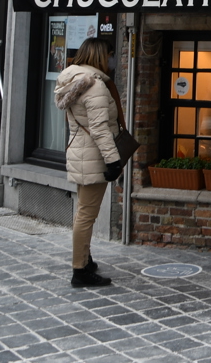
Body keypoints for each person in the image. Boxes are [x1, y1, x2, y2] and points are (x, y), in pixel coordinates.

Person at [53, 37, 123, 288]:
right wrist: (113, 160)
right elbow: (100, 128)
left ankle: (85, 258)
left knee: (83, 211)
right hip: (93, 156)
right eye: (111, 55)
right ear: (101, 56)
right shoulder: (95, 86)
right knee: (86, 214)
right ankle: (80, 270)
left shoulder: (72, 79)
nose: (112, 60)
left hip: (80, 152)